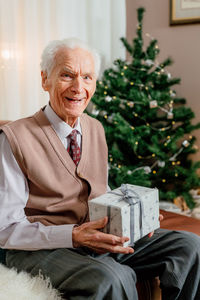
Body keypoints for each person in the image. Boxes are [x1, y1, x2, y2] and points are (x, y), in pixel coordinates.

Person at [0, 38, 200, 300]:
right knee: (114, 278)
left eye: (87, 77)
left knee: (190, 246)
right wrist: (73, 236)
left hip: (95, 237)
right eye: (67, 75)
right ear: (45, 80)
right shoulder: (13, 138)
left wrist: (136, 219)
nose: (78, 87)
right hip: (41, 247)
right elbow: (5, 229)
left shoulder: (95, 128)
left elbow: (100, 192)